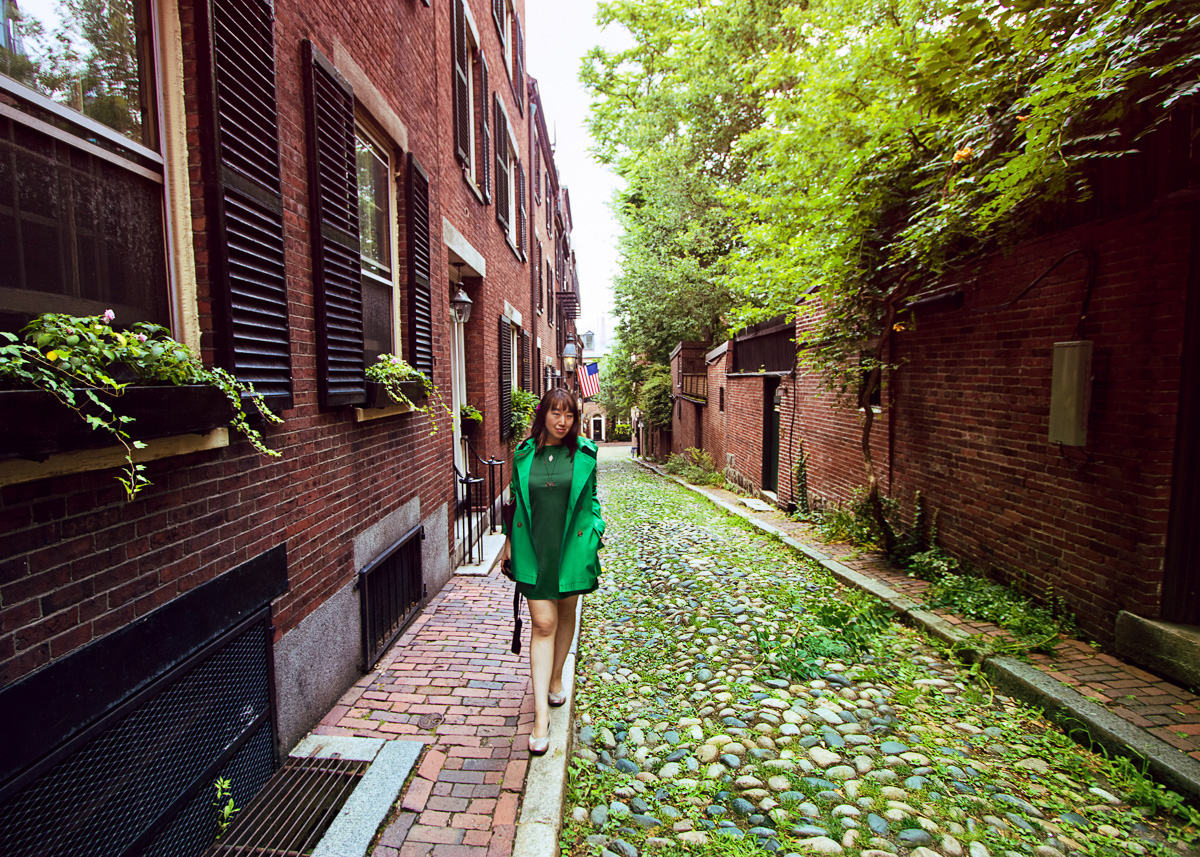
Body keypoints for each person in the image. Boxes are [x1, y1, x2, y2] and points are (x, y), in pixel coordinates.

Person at [502, 388, 605, 755]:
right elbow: (514, 501)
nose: (563, 422)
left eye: (570, 415)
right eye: (556, 413)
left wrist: (595, 533)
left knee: (565, 614)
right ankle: (540, 716)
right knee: (543, 623)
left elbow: (591, 499)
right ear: (543, 414)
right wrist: (508, 543)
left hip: (571, 547)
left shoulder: (584, 454)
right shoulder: (524, 454)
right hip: (534, 545)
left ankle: (557, 676)